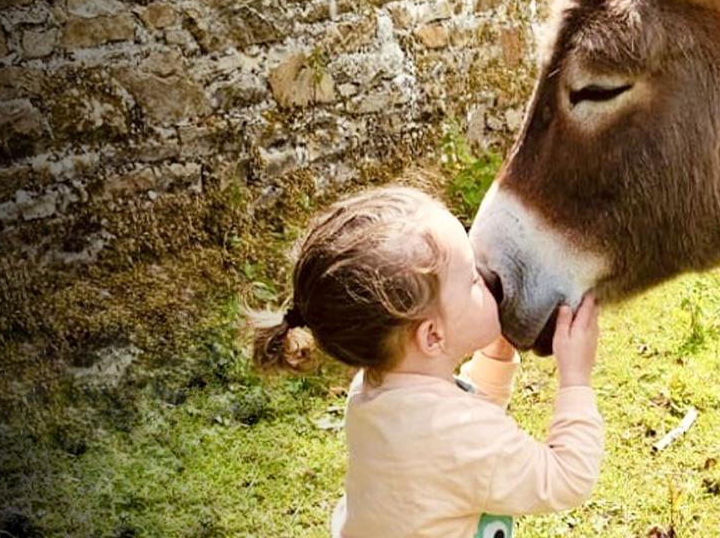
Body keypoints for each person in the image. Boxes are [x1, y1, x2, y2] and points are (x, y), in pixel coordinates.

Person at [247, 186, 602, 537]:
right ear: (433, 336)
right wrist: (575, 379)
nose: (489, 279)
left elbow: (453, 419)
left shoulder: (375, 391)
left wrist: (494, 355)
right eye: (474, 280)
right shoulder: (457, 437)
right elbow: (566, 477)